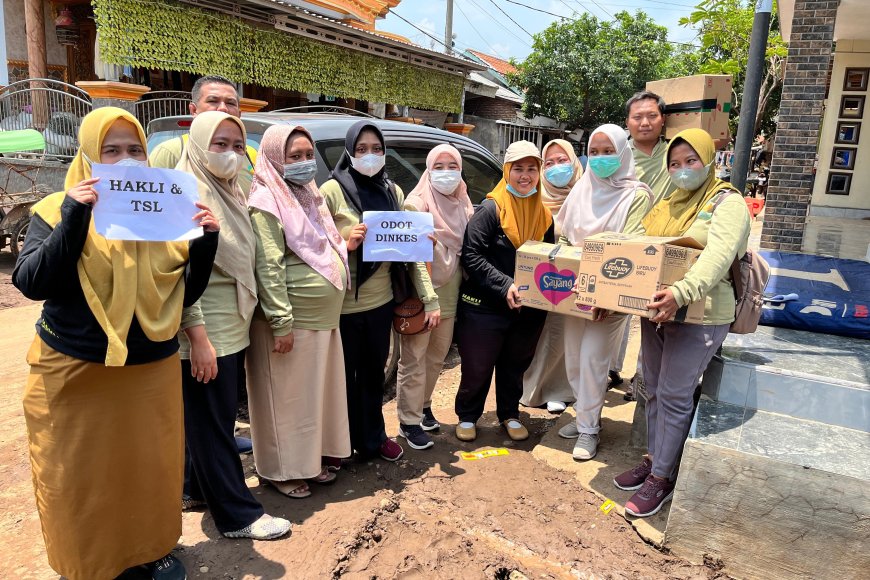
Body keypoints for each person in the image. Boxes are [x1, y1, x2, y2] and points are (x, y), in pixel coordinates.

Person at [13, 107, 219, 580]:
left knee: (149, 471)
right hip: (77, 371)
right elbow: (32, 281)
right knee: (80, 479)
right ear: (89, 155)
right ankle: (90, 565)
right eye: (111, 151)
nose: (125, 161)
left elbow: (185, 291)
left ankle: (150, 551)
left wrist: (206, 240)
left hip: (150, 372)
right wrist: (75, 215)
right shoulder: (54, 208)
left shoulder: (167, 214)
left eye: (134, 151)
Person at [613, 128, 750, 517]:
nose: (683, 169)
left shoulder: (728, 203)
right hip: (658, 308)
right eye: (675, 163)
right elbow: (639, 244)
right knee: (653, 389)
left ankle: (662, 477)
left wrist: (681, 293)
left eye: (691, 161)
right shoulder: (668, 201)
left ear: (709, 160)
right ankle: (655, 458)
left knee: (675, 393)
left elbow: (718, 257)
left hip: (701, 313)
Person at [175, 111, 291, 539]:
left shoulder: (230, 190)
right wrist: (197, 337)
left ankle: (194, 489)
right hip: (206, 328)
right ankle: (237, 515)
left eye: (236, 145)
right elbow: (179, 276)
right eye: (219, 144)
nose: (228, 153)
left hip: (230, 323)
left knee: (209, 419)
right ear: (200, 144)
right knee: (214, 424)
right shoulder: (189, 194)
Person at [321, 120, 440, 462]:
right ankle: (338, 445)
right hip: (342, 306)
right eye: (361, 150)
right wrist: (346, 245)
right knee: (342, 379)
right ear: (349, 152)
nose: (369, 156)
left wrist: (420, 242)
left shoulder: (393, 192)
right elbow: (311, 249)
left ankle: (373, 439)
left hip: (381, 304)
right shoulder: (330, 192)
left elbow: (407, 252)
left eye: (376, 149)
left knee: (374, 377)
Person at [246, 124, 352, 497]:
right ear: (276, 158)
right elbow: (268, 266)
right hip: (290, 321)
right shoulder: (266, 201)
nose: (305, 163)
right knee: (285, 402)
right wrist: (281, 322)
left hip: (321, 320)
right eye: (294, 157)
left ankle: (310, 460)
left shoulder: (307, 196)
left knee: (311, 400)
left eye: (309, 155)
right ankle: (281, 471)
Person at [554, 124, 652, 460]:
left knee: (593, 360)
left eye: (607, 151)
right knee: (572, 360)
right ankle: (584, 414)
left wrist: (605, 295)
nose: (599, 159)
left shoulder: (635, 195)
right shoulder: (582, 188)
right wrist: (570, 257)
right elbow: (564, 236)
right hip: (573, 294)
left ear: (623, 152)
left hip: (608, 297)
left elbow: (632, 249)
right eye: (593, 152)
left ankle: (588, 431)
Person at [454, 140, 554, 443]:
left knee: (515, 366)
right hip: (485, 307)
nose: (525, 176)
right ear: (507, 171)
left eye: (531, 169)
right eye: (518, 169)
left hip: (528, 309)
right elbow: (470, 256)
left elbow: (548, 257)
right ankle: (468, 416)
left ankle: (509, 413)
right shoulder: (490, 209)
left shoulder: (544, 214)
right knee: (478, 366)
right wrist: (504, 284)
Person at [396, 144, 473, 450]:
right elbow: (415, 258)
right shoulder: (416, 204)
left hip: (451, 295)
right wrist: (429, 299)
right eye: (438, 167)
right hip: (421, 296)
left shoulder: (464, 203)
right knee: (413, 358)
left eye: (451, 166)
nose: (445, 173)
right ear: (428, 170)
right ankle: (408, 421)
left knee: (436, 357)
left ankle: (423, 405)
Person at [615, 90, 673, 400]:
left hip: (666, 244)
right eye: (638, 117)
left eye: (652, 115)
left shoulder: (675, 153)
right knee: (619, 310)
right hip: (627, 243)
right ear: (628, 122)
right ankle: (613, 369)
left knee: (653, 316)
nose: (645, 122)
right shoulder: (619, 155)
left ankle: (642, 380)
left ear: (663, 120)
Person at [521, 139, 583, 414]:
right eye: (550, 163)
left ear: (574, 162)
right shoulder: (533, 196)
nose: (557, 167)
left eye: (563, 160)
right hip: (538, 279)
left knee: (564, 336)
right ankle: (532, 387)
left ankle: (560, 389)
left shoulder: (586, 195)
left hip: (573, 280)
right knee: (537, 335)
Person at [150, 75, 258, 196]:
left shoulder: (250, 154)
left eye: (230, 103)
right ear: (193, 110)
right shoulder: (171, 152)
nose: (223, 108)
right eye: (213, 101)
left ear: (239, 113)